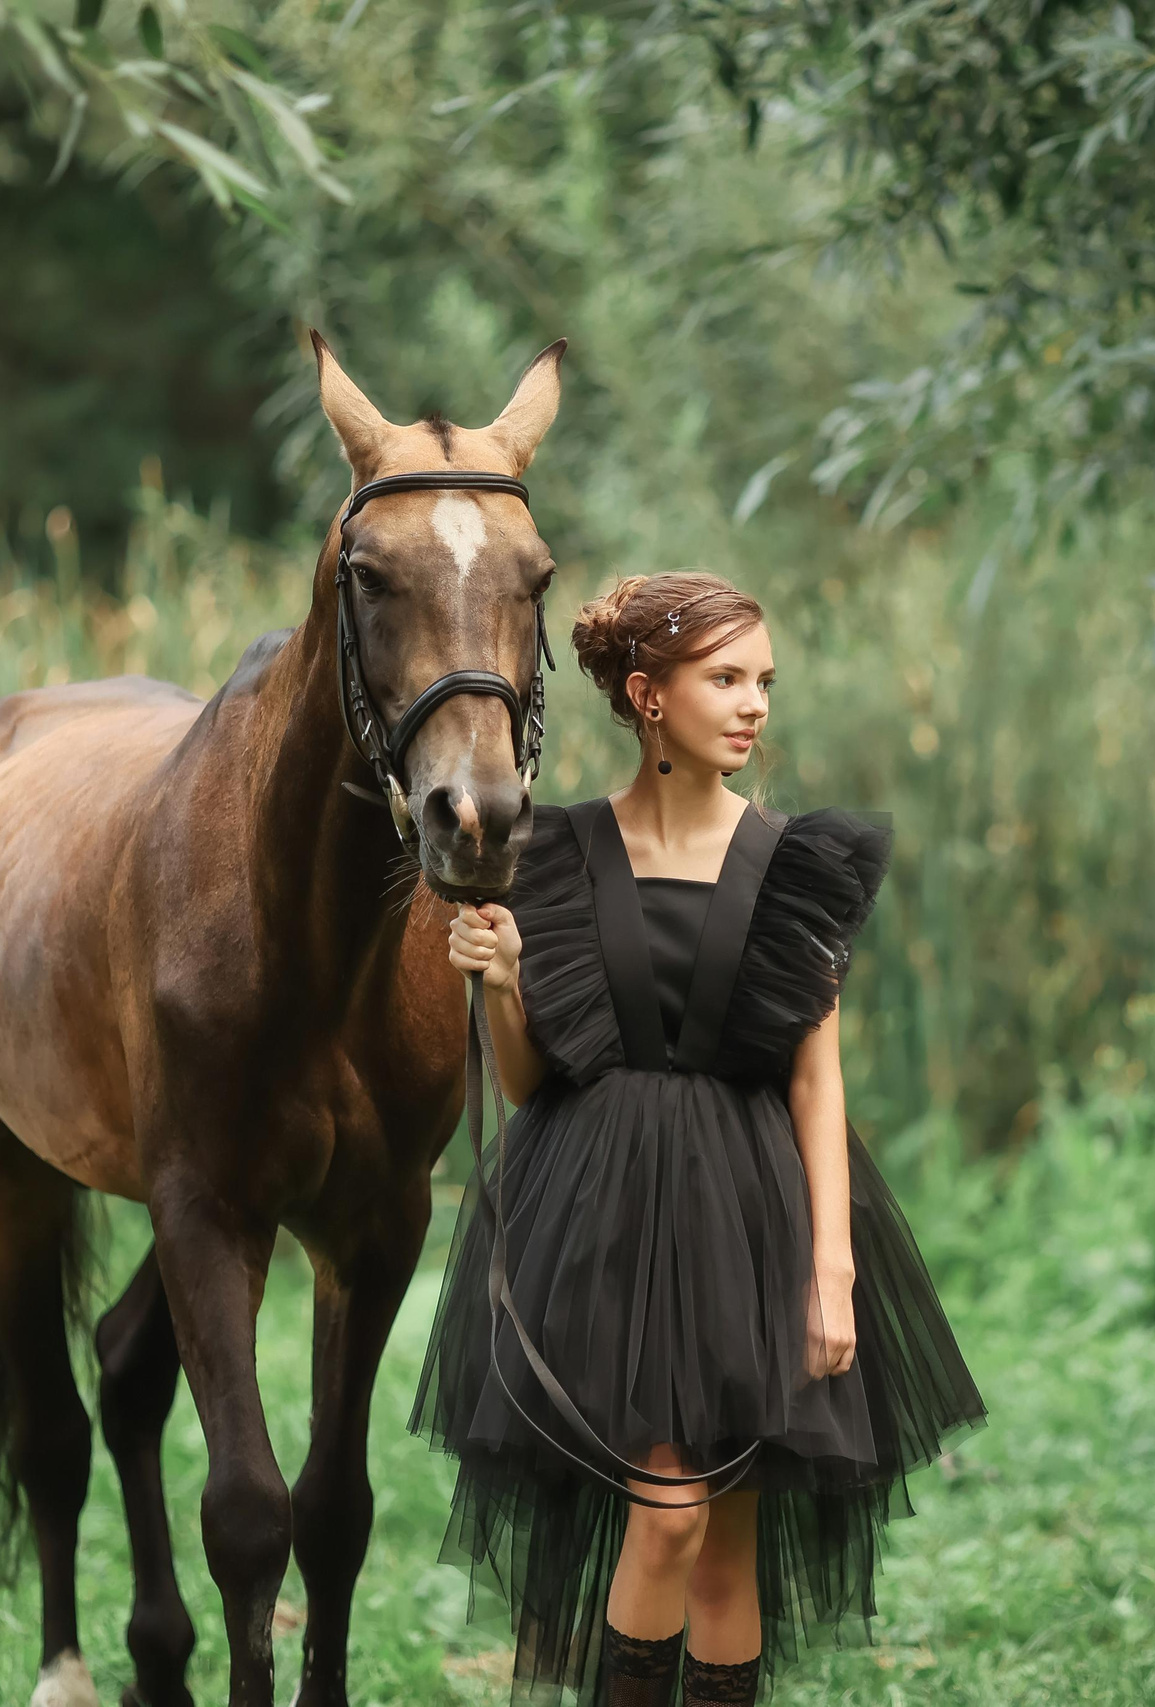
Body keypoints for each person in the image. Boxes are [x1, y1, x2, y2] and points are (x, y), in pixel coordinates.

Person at [411, 570, 987, 1705]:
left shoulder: (794, 866)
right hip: (604, 1214)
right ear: (646, 695)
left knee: (727, 1544)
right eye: (724, 678)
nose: (754, 703)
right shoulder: (559, 854)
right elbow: (530, 1087)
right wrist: (503, 987)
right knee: (666, 1516)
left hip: (750, 1215)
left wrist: (833, 1266)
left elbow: (816, 1083)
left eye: (763, 680)